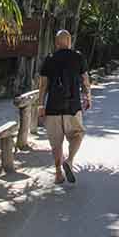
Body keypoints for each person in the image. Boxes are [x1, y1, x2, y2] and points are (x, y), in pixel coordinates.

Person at [38, 30, 91, 184]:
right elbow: (85, 79)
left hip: (52, 108)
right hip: (72, 107)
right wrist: (88, 96)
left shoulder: (49, 59)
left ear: (56, 43)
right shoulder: (78, 57)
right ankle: (69, 161)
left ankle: (57, 174)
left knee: (56, 143)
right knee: (78, 134)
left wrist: (41, 106)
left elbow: (42, 86)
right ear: (69, 41)